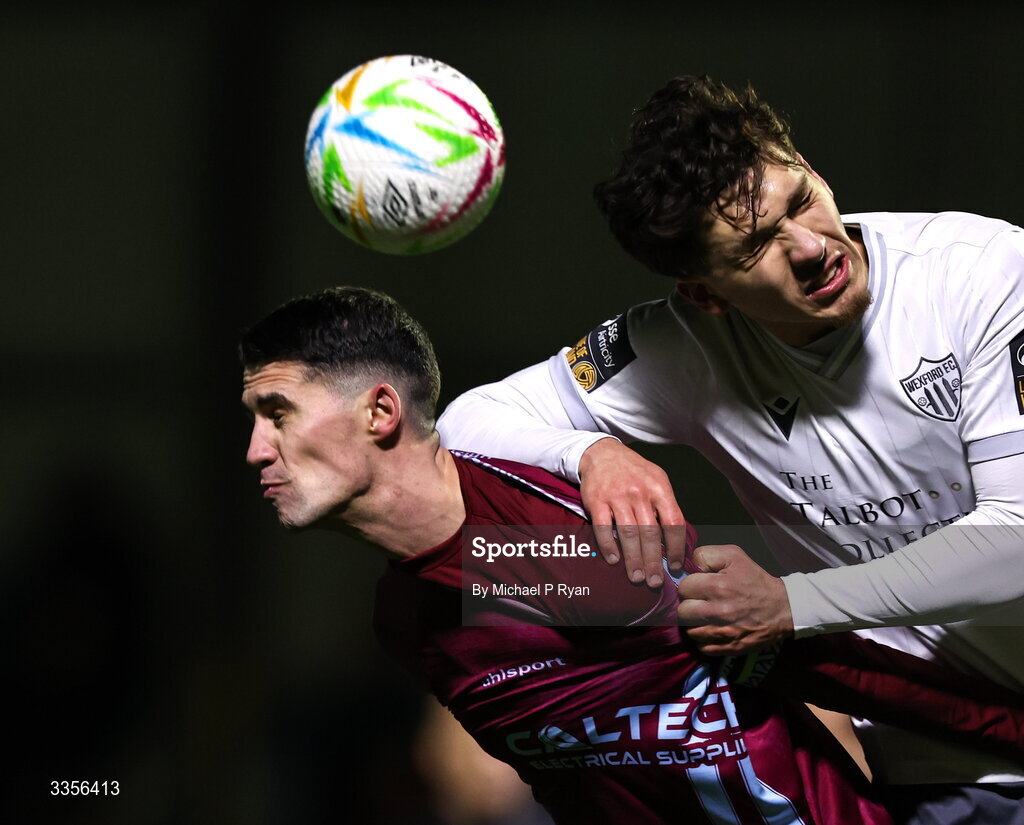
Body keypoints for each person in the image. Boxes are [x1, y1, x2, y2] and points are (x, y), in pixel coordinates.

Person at [435, 75, 1024, 822]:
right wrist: (589, 454)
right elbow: (467, 419)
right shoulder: (681, 346)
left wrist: (791, 602)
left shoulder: (982, 271)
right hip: (943, 766)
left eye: (801, 199)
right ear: (705, 293)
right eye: (756, 247)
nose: (811, 247)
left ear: (809, 165)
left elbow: (1014, 542)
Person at [241, 286, 1024, 825]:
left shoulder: (567, 547)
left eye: (277, 412)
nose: (254, 450)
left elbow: (844, 662)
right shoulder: (405, 618)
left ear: (381, 410)